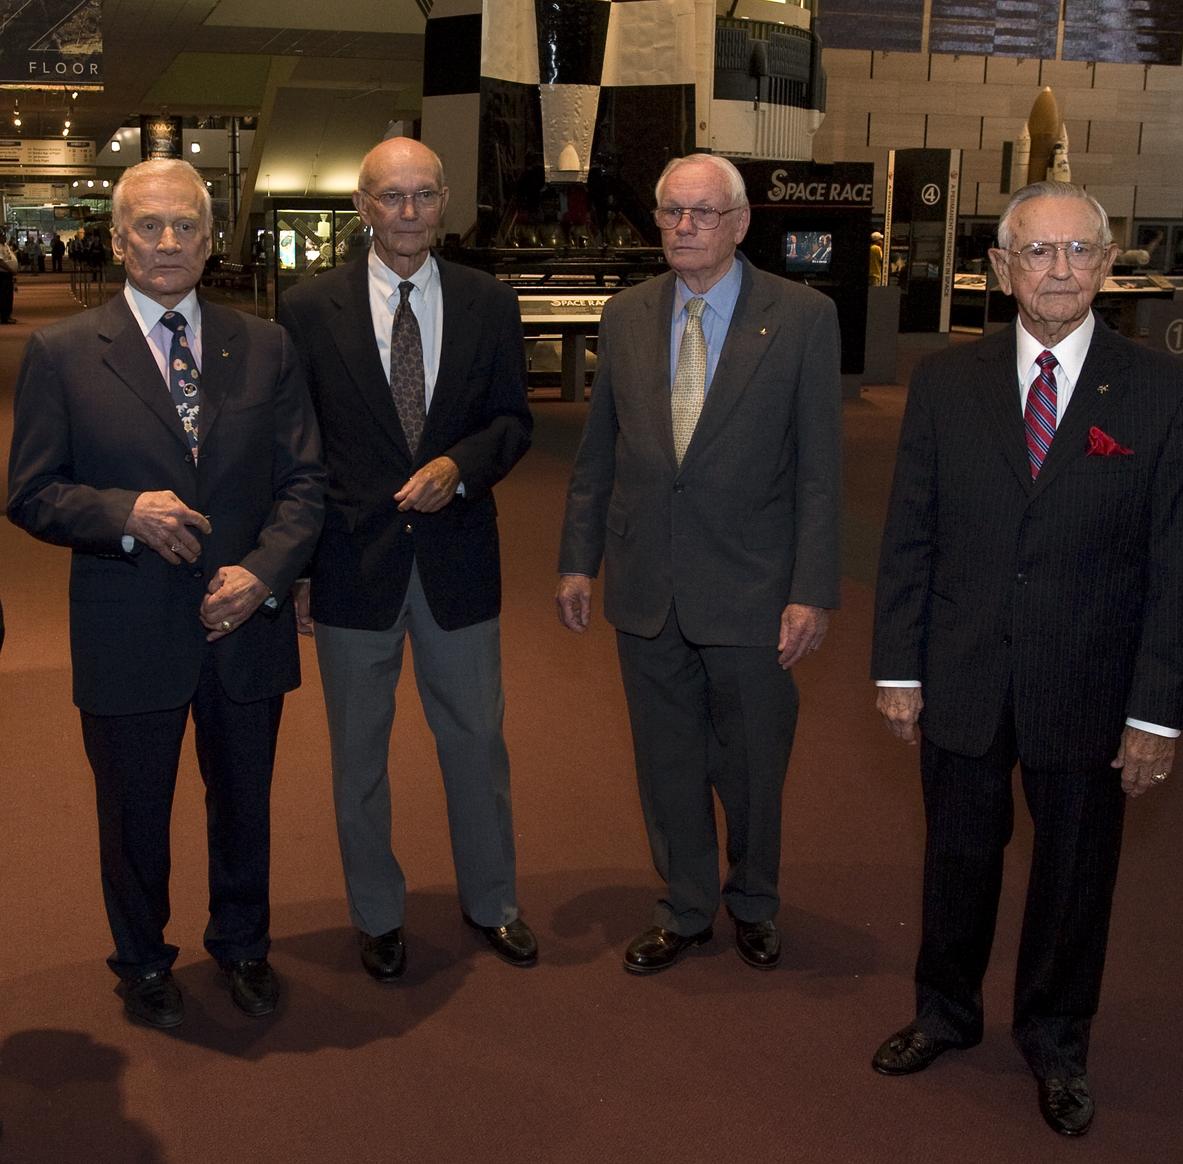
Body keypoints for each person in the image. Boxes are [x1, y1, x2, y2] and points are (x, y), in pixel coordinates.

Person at [869, 181, 1183, 1136]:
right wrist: (897, 666)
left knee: (1073, 879)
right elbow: (910, 534)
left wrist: (1156, 713)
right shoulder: (944, 382)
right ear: (1000, 268)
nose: (1057, 270)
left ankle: (1057, 1041)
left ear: (1109, 267)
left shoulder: (1168, 394)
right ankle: (942, 1012)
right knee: (955, 860)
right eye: (1037, 251)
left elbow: (1176, 567)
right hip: (963, 675)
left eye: (1077, 252)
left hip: (1091, 689)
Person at [6, 158, 326, 1029]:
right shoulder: (64, 354)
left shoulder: (264, 345)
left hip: (243, 624)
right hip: (127, 623)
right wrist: (122, 512)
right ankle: (143, 959)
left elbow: (305, 484)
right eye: (149, 225)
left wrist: (267, 572)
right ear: (117, 240)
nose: (169, 242)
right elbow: (30, 492)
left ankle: (244, 946)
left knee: (245, 807)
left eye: (186, 224)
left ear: (211, 237)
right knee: (134, 815)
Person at [557, 153, 842, 975]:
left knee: (752, 765)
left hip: (753, 592)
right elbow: (597, 452)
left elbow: (821, 469)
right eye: (671, 212)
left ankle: (753, 900)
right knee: (667, 763)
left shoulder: (800, 318)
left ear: (741, 222)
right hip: (646, 587)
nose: (685, 227)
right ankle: (685, 905)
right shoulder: (625, 315)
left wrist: (810, 592)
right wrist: (578, 561)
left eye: (704, 213)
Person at [278, 137, 537, 981]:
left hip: (459, 562)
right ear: (361, 207)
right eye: (391, 198)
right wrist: (303, 569)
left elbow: (510, 423)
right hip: (353, 566)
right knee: (358, 757)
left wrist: (459, 469)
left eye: (424, 196)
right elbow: (298, 448)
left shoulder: (488, 302)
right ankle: (377, 915)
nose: (409, 214)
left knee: (476, 744)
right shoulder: (308, 309)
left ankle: (493, 902)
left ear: (445, 202)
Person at [0, 236, 17, 323]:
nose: (4, 238)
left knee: (8, 296)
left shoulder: (5, 246)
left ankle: (7, 315)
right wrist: (10, 269)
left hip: (8, 274)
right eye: (2, 236)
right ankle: (4, 317)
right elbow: (1, 262)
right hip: (2, 274)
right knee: (4, 296)